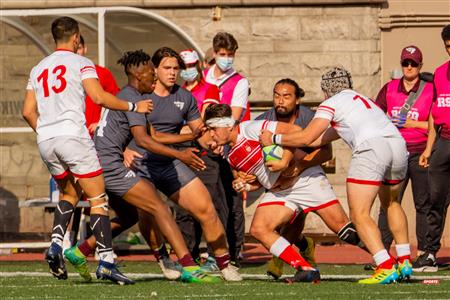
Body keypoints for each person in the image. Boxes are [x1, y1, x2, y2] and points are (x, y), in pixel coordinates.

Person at [63, 50, 218, 283]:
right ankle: (188, 266)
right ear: (137, 76)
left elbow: (152, 134)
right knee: (160, 208)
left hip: (100, 164)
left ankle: (80, 250)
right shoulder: (133, 97)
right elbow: (145, 141)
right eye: (150, 74)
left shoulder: (129, 95)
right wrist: (181, 155)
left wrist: (189, 138)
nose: (154, 78)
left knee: (128, 216)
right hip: (110, 166)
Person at [21, 16, 152, 285]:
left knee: (69, 192)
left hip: (46, 140)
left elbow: (27, 112)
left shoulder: (37, 68)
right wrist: (133, 107)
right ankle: (106, 262)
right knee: (98, 200)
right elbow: (99, 97)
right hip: (74, 137)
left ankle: (56, 245)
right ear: (77, 38)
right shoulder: (82, 63)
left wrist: (47, 132)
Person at [260, 67, 412, 284]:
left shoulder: (331, 103)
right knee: (392, 203)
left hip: (372, 148)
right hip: (397, 145)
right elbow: (317, 141)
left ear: (325, 92)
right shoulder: (361, 99)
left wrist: (274, 139)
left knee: (359, 214)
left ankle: (386, 265)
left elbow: (306, 136)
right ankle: (405, 261)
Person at [205, 103, 367, 283]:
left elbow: (293, 130)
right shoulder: (230, 154)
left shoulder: (251, 129)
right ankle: (305, 268)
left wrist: (285, 161)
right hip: (282, 191)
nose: (211, 134)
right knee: (259, 229)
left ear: (228, 125)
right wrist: (246, 185)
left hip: (306, 181)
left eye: (213, 129)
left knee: (346, 232)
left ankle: (388, 261)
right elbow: (262, 179)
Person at [133, 47, 242, 281]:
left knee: (206, 209)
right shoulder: (142, 95)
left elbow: (198, 132)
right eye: (167, 68)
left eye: (176, 68)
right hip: (141, 164)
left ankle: (224, 264)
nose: (173, 73)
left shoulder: (185, 97)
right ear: (155, 69)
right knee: (147, 214)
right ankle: (163, 258)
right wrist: (123, 151)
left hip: (168, 163)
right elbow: (144, 136)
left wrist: (213, 141)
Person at [256, 78, 367, 279]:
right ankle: (299, 261)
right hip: (280, 184)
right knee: (262, 228)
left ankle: (383, 257)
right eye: (277, 95)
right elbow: (252, 157)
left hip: (308, 178)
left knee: (343, 228)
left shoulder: (309, 117)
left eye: (287, 96)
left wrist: (300, 166)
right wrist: (245, 177)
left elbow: (326, 153)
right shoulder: (262, 121)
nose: (280, 101)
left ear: (297, 99)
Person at [169, 49, 227, 263]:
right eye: (185, 67)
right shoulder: (177, 92)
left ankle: (216, 255)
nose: (189, 71)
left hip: (204, 151)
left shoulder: (209, 88)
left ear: (199, 66)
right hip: (182, 151)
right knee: (184, 207)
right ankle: (188, 256)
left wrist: (182, 131)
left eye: (193, 66)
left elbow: (204, 117)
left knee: (210, 205)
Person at [375, 46, 433, 258]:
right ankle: (382, 252)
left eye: (414, 63)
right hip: (395, 152)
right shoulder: (389, 88)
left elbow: (436, 125)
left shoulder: (430, 89)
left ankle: (425, 252)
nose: (409, 67)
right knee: (388, 202)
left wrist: (411, 122)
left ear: (420, 66)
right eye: (406, 63)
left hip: (420, 152)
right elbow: (375, 116)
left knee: (423, 203)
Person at [203, 31, 249, 264]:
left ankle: (235, 247)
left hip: (229, 144)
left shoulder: (239, 81)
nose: (227, 58)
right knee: (210, 197)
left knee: (233, 198)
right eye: (223, 54)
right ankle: (211, 246)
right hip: (207, 143)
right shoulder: (204, 77)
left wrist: (221, 140)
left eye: (230, 54)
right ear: (214, 53)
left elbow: (235, 115)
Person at [414, 24, 450, 272]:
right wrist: (428, 149)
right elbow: (432, 115)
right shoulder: (439, 73)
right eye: (448, 46)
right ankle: (429, 253)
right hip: (444, 142)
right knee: (435, 199)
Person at [76, 35, 120, 136]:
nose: (76, 52)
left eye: (79, 48)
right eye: (74, 49)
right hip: (70, 137)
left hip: (93, 137)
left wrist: (103, 123)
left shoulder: (101, 72)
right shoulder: (62, 75)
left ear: (85, 49)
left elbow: (116, 101)